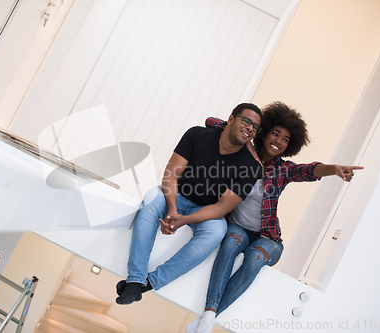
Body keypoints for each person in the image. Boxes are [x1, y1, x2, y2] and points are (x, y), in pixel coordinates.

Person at [186, 101, 364, 333]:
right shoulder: (243, 155)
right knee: (230, 242)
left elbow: (309, 170)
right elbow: (211, 121)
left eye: (285, 139)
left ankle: (207, 321)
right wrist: (244, 131)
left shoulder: (283, 170)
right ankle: (209, 314)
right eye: (275, 134)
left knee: (255, 257)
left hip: (267, 237)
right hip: (238, 227)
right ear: (264, 132)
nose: (279, 141)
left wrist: (334, 169)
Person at [115, 103, 264, 305]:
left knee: (216, 233)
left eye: (255, 127)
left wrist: (184, 220)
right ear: (231, 119)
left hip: (207, 211)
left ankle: (148, 283)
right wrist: (173, 210)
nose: (250, 128)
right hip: (175, 195)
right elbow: (171, 175)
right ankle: (135, 277)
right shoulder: (196, 135)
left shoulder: (251, 166)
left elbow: (222, 207)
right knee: (151, 200)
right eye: (246, 121)